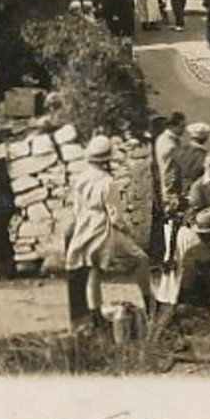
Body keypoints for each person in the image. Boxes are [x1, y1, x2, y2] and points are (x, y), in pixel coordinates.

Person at [64, 135, 156, 326]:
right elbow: (115, 216)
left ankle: (95, 315)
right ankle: (150, 303)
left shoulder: (80, 178)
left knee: (93, 270)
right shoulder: (108, 182)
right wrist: (129, 232)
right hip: (103, 230)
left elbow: (76, 207)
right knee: (141, 259)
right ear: (107, 160)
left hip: (85, 227)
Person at [153, 112, 190, 268]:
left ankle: (171, 254)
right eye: (181, 126)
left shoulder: (167, 140)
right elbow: (177, 167)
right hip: (171, 185)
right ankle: (169, 256)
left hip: (170, 184)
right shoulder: (169, 143)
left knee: (172, 220)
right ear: (173, 126)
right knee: (172, 220)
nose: (184, 129)